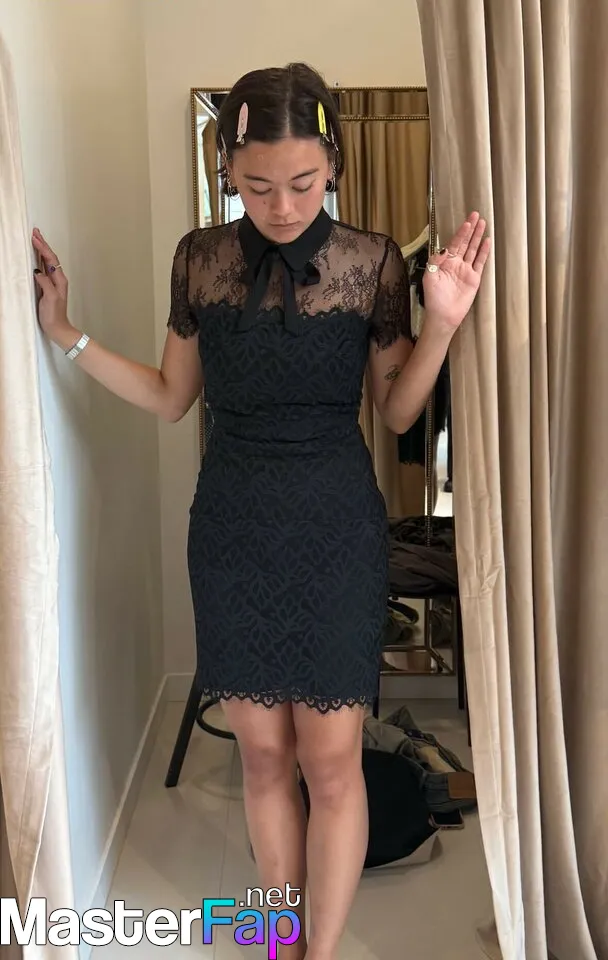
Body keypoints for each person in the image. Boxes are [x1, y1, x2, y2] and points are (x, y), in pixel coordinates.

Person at [33, 62, 490, 960]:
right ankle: (282, 942)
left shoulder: (370, 262)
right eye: (256, 186)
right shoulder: (199, 259)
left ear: (335, 164)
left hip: (335, 535)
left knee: (331, 763)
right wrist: (64, 335)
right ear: (228, 170)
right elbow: (172, 397)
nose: (281, 207)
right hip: (232, 533)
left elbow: (398, 412)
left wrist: (441, 323)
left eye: (304, 183)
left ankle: (320, 952)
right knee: (264, 759)